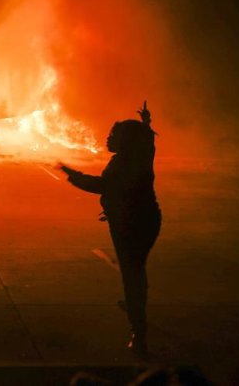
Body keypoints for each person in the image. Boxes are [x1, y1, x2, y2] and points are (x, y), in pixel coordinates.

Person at [59, 102, 161, 356]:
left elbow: (101, 185)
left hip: (131, 221)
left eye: (113, 136)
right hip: (147, 218)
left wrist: (72, 174)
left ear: (125, 141)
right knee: (137, 268)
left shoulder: (124, 163)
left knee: (132, 273)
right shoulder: (142, 152)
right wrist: (146, 122)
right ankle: (135, 305)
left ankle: (138, 332)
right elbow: (148, 140)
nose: (107, 138)